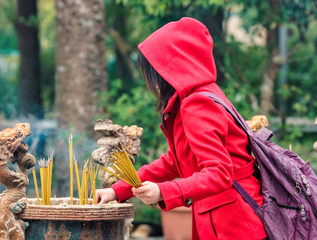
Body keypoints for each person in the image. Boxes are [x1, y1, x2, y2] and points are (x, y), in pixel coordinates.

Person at [96, 17, 267, 240]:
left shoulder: (197, 103)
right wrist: (116, 190)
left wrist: (164, 191)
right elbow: (174, 162)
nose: (151, 82)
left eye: (152, 71)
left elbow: (220, 173)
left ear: (171, 66)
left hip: (234, 226)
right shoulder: (202, 96)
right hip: (231, 220)